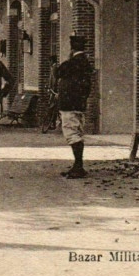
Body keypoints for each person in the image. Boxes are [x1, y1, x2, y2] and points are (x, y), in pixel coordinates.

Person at [57, 36, 93, 179]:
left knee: (71, 134)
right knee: (77, 132)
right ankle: (78, 165)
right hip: (78, 103)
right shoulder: (85, 63)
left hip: (69, 104)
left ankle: (78, 166)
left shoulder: (71, 63)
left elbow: (58, 72)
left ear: (72, 48)